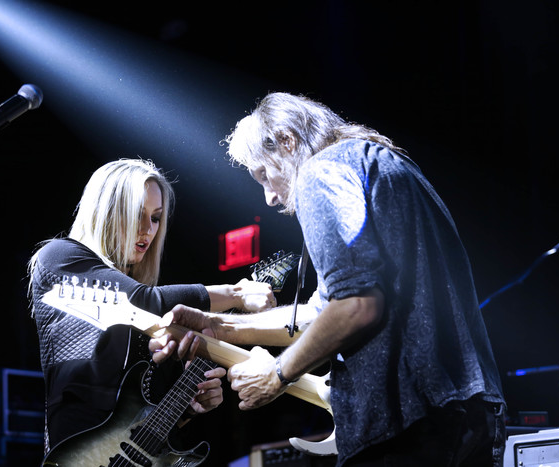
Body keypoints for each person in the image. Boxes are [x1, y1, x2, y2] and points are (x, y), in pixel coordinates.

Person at [151, 92, 507, 466]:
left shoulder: (321, 172)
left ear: (287, 141)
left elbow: (357, 305)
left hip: (409, 426)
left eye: (263, 174)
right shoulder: (381, 163)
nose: (269, 197)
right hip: (469, 412)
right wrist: (218, 325)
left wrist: (277, 373)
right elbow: (326, 311)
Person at [28, 158, 276, 456]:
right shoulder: (60, 258)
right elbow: (140, 299)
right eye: (137, 214)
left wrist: (189, 407)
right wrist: (236, 293)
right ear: (104, 212)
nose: (148, 229)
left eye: (156, 217)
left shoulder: (154, 315)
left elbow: (147, 421)